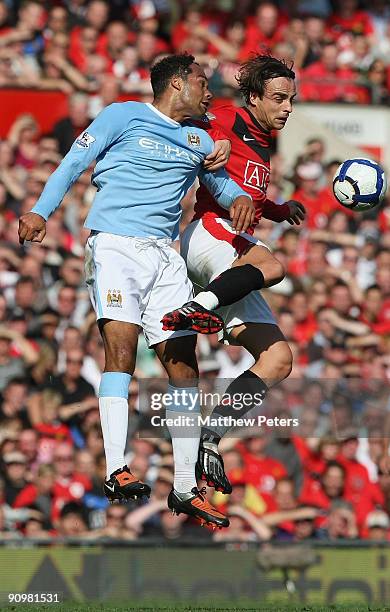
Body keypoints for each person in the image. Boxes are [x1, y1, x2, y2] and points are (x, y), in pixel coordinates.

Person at [18, 54, 256, 529]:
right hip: (116, 246)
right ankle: (115, 468)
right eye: (201, 84)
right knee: (121, 351)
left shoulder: (200, 138)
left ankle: (186, 487)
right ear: (175, 83)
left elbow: (222, 186)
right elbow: (72, 163)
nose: (208, 94)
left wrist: (242, 199)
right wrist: (40, 211)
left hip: (164, 257)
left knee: (183, 366)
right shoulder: (122, 115)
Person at [163, 55, 306, 494]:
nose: (286, 108)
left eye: (292, 100)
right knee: (272, 267)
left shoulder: (265, 141)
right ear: (255, 97)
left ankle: (210, 438)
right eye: (279, 99)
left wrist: (280, 210)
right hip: (209, 233)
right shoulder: (228, 115)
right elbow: (197, 130)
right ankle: (199, 306)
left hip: (232, 251)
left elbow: (252, 195)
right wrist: (208, 139)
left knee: (279, 359)